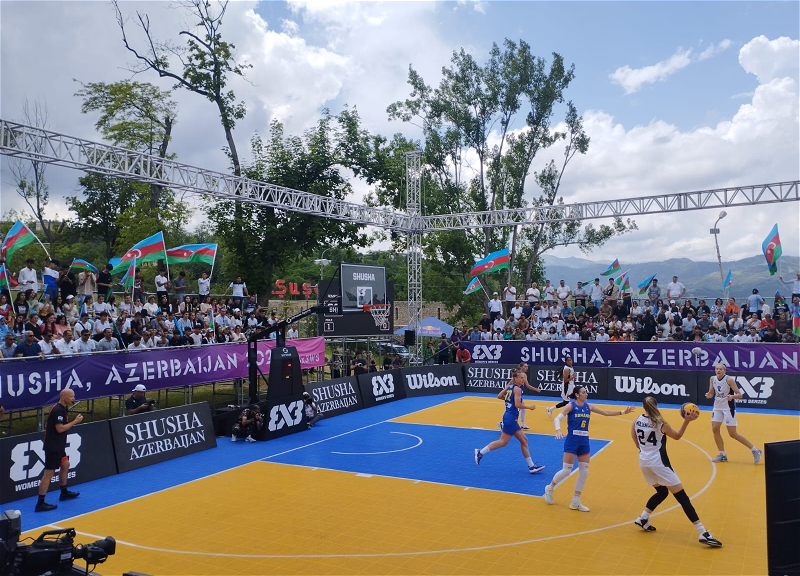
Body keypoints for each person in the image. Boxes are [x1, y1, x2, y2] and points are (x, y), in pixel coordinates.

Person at [631, 397, 722, 547]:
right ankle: (703, 533)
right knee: (683, 498)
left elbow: (634, 439)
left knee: (662, 492)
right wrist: (687, 421)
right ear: (656, 406)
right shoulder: (660, 423)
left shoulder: (636, 420)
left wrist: (645, 451)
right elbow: (677, 436)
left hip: (644, 462)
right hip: (659, 463)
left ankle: (643, 518)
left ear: (643, 407)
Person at [544, 385, 634, 511]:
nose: (586, 394)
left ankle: (575, 501)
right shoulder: (570, 406)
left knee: (584, 471)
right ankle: (550, 487)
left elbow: (606, 413)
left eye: (586, 392)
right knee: (566, 470)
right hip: (572, 441)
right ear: (577, 395)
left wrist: (623, 412)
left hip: (584, 441)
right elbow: (557, 419)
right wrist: (558, 430)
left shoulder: (589, 407)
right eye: (584, 392)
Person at [474, 369, 545, 474]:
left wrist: (509, 399)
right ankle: (480, 452)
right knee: (503, 442)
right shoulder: (517, 389)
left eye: (523, 378)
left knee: (524, 440)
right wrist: (529, 407)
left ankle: (531, 466)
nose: (523, 379)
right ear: (515, 378)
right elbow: (517, 405)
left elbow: (499, 396)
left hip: (509, 417)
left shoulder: (510, 387)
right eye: (521, 378)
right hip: (510, 418)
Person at [35, 388, 83, 511]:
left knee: (65, 464)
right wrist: (75, 422)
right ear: (63, 397)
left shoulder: (62, 408)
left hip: (59, 446)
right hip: (53, 447)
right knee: (48, 473)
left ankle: (64, 492)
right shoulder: (58, 410)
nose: (73, 399)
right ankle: (40, 503)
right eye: (71, 396)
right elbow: (60, 429)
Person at [705, 364, 762, 464]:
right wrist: (708, 395)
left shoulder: (729, 380)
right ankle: (722, 455)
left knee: (733, 434)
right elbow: (711, 393)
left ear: (724, 370)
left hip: (728, 408)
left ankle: (755, 450)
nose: (718, 370)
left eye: (720, 369)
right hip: (717, 407)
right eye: (717, 369)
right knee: (715, 429)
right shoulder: (712, 378)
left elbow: (739, 395)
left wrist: (732, 397)